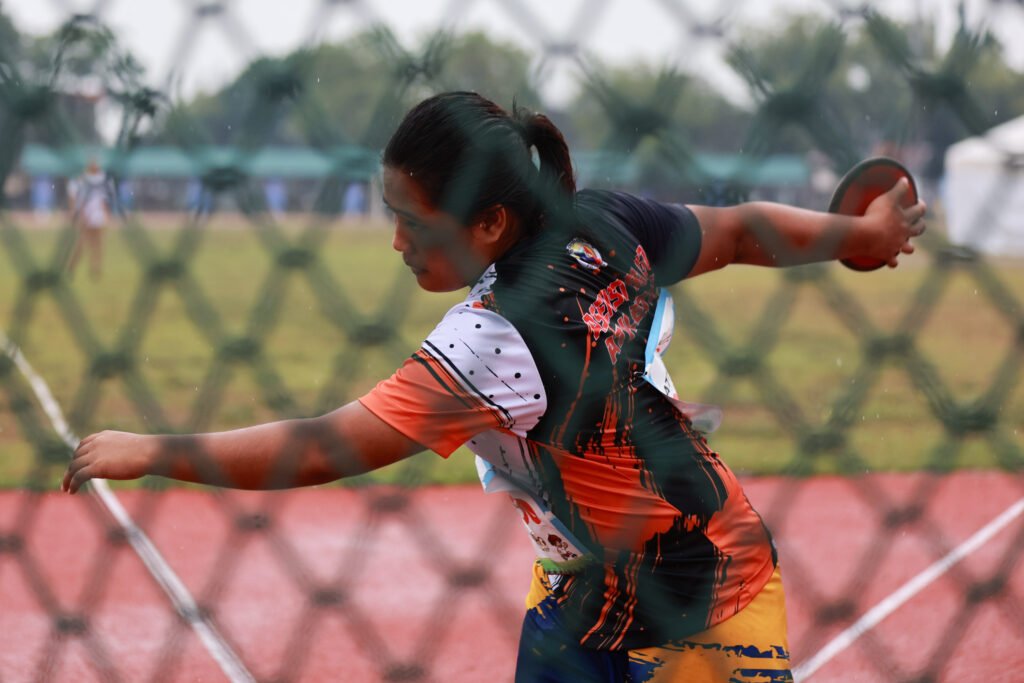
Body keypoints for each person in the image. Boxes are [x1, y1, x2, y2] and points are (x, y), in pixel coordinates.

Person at [62, 91, 926, 682]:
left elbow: (323, 446)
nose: (395, 240)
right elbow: (739, 231)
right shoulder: (605, 220)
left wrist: (153, 451)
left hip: (703, 603)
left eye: (411, 221)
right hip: (585, 588)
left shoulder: (492, 341)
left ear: (489, 222)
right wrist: (861, 232)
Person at [66, 160, 112, 279]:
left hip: (97, 214)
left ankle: (95, 269)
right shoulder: (81, 180)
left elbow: (103, 200)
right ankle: (71, 267)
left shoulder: (101, 180)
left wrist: (106, 214)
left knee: (98, 244)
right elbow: (75, 198)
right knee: (81, 244)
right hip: (86, 214)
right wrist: (78, 214)